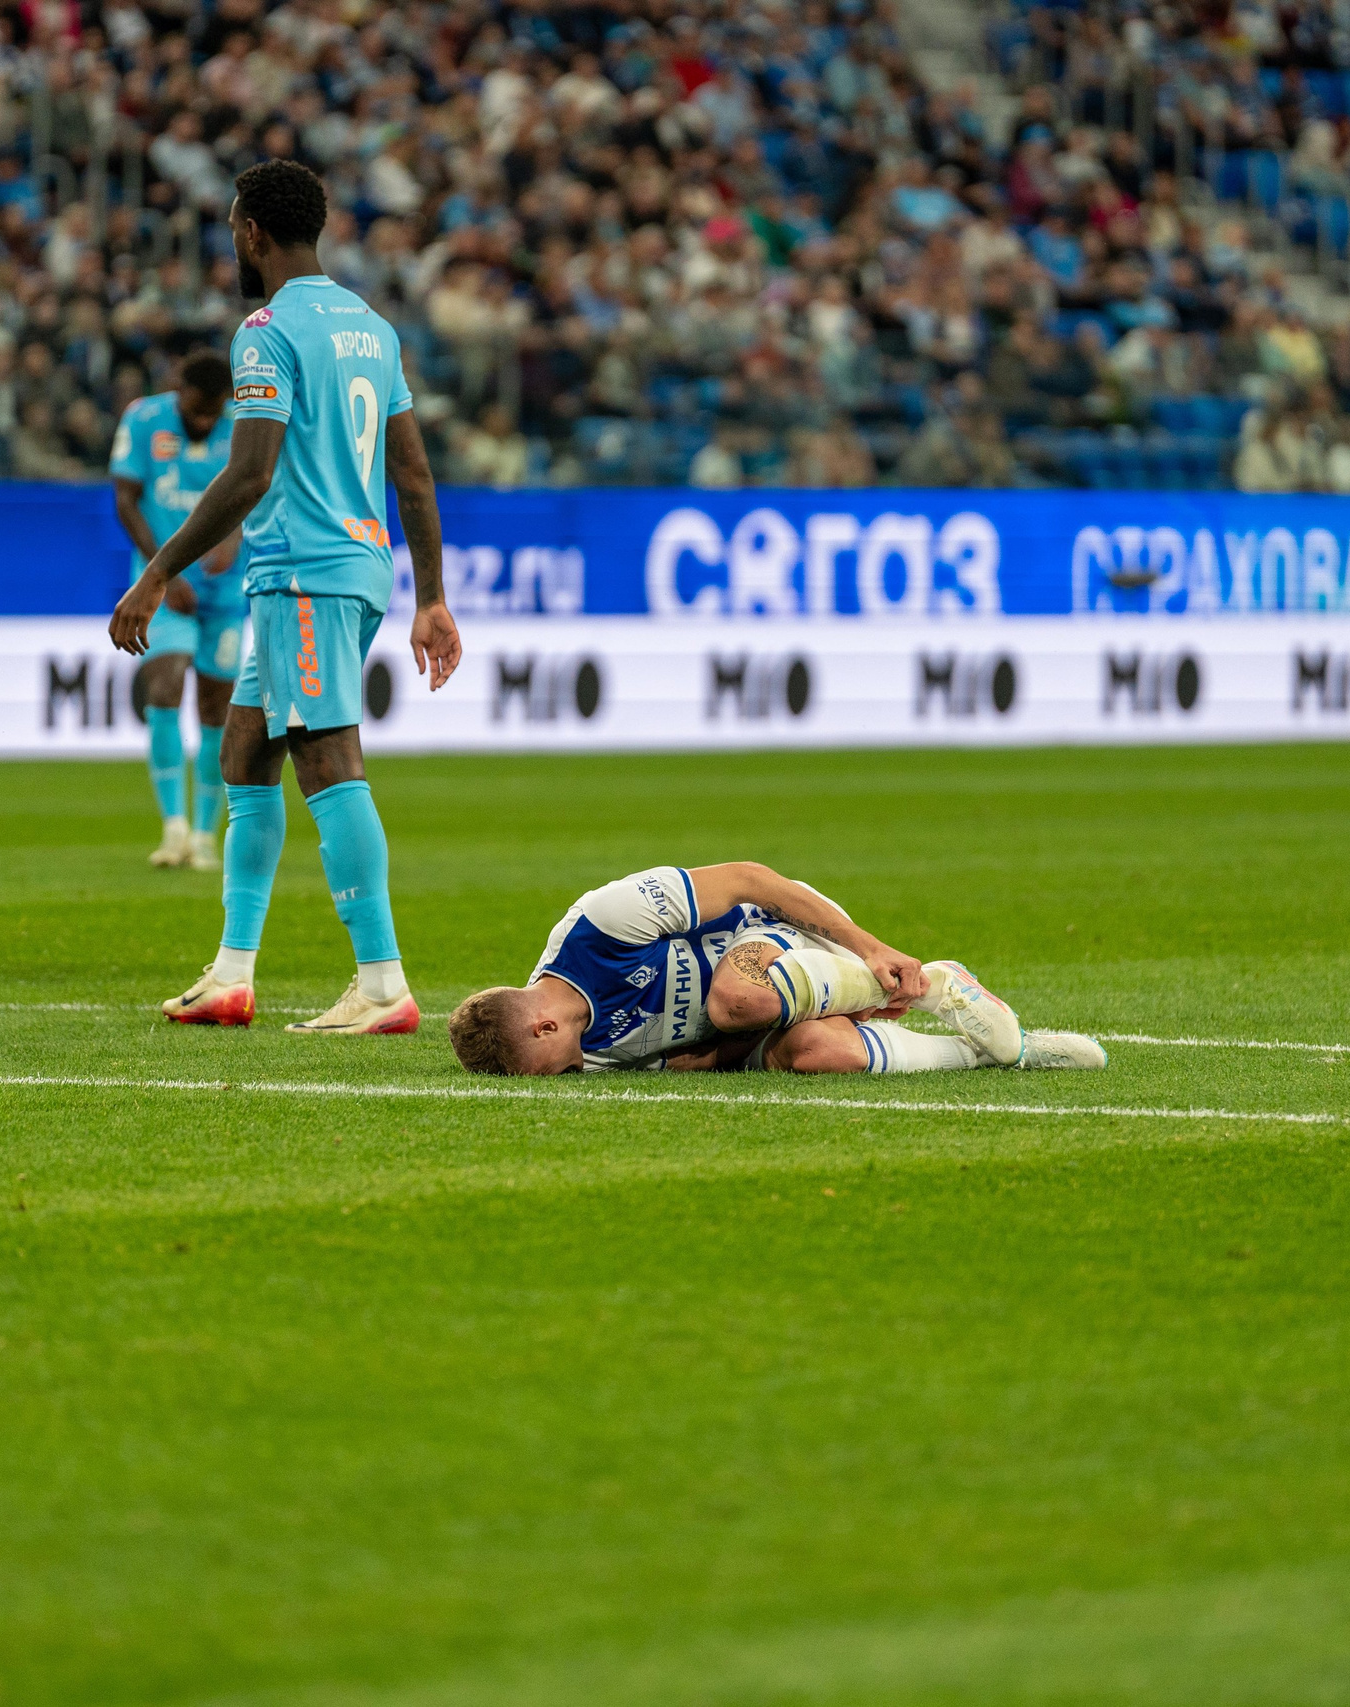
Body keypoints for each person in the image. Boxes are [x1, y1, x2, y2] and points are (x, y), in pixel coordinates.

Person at [111, 159, 464, 1034]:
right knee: (244, 754)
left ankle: (382, 983)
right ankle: (232, 974)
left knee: (326, 759)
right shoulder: (371, 328)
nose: (233, 240)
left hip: (304, 569)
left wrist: (158, 572)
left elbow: (250, 470)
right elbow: (411, 470)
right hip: (341, 566)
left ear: (253, 232)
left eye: (234, 226)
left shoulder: (266, 331)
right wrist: (431, 596)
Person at [445, 863, 1108, 1076]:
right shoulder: (592, 1052)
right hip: (767, 1012)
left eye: (550, 1070)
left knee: (734, 997)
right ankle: (979, 1052)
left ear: (538, 1029)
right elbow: (697, 1062)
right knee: (818, 1053)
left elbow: (748, 877)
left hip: (783, 936)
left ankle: (926, 983)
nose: (567, 1076)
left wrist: (869, 946)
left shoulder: (601, 926)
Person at [109, 349, 241, 871]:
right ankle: (174, 828)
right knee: (165, 685)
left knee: (216, 708)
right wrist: (161, 571)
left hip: (227, 590)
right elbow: (125, 498)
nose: (205, 420)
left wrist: (232, 536)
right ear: (178, 390)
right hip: (163, 587)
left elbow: (260, 487)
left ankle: (205, 836)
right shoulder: (143, 419)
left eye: (214, 411)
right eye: (197, 409)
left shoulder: (245, 422)